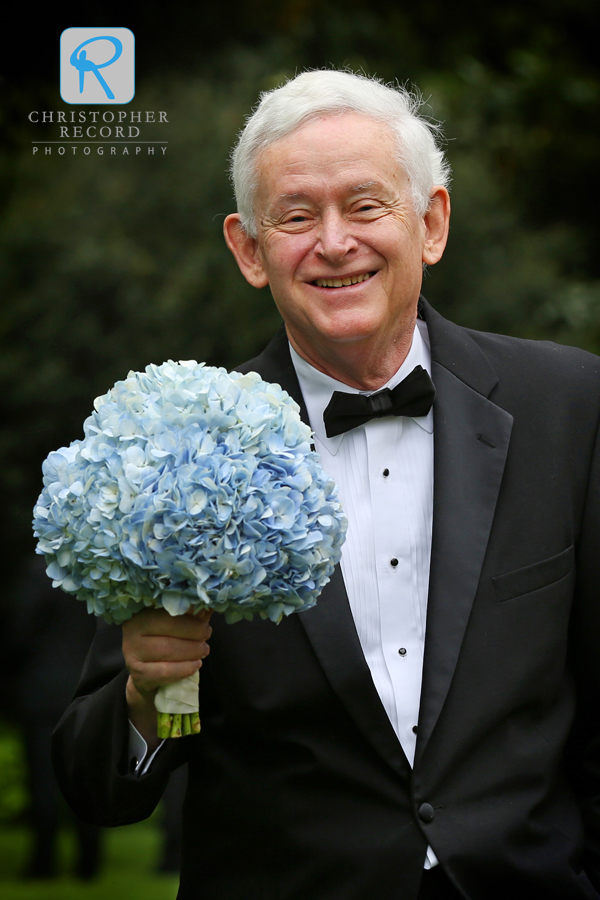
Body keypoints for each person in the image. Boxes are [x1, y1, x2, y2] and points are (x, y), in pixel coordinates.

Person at [51, 69, 600, 899]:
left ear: (432, 223)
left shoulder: (571, 406)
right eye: (297, 216)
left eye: (367, 206)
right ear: (249, 249)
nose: (334, 242)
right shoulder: (181, 452)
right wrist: (153, 693)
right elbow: (104, 786)